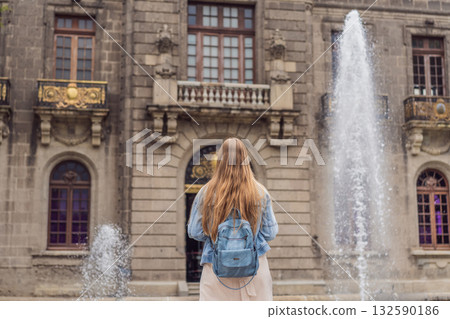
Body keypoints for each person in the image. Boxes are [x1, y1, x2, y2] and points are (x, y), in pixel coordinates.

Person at [187, 137, 278, 301]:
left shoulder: (205, 192)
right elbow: (270, 233)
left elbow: (195, 231)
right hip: (254, 268)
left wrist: (220, 235)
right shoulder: (260, 192)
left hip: (217, 269)